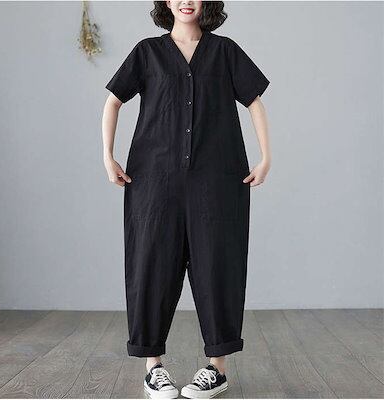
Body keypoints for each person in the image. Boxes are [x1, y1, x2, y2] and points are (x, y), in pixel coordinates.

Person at [102, 1, 271, 398]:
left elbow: (254, 102)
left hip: (218, 179)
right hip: (154, 181)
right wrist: (107, 156)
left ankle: (217, 369)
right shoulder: (147, 52)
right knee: (151, 264)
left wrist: (266, 157)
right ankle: (153, 367)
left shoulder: (225, 51)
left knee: (218, 266)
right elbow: (113, 101)